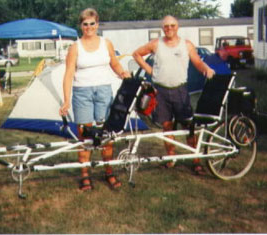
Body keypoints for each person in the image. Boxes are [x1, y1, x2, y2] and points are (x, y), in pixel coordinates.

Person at [132, 15, 215, 174]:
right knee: (167, 126)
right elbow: (136, 54)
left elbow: (197, 62)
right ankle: (171, 158)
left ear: (177, 26)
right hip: (160, 92)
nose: (169, 28)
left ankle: (196, 160)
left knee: (188, 126)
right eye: (166, 26)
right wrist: (151, 72)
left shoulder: (187, 45)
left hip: (180, 91)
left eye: (172, 25)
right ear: (162, 28)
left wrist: (206, 69)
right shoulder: (156, 44)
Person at [59, 8, 131, 191]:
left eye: (92, 23)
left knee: (106, 135)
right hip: (82, 93)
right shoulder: (75, 47)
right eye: (85, 24)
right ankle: (85, 175)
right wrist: (66, 100)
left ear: (97, 24)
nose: (89, 27)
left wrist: (122, 72)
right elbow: (68, 75)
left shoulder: (106, 43)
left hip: (104, 92)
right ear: (81, 26)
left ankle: (108, 171)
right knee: (85, 136)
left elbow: (114, 63)